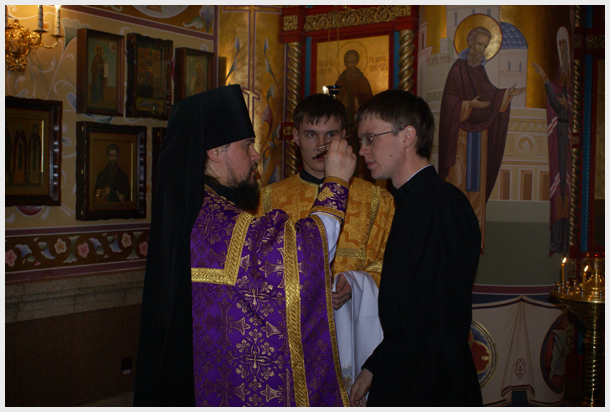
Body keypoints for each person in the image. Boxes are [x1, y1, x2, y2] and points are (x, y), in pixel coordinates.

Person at [133, 84, 357, 406]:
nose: (255, 155)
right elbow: (300, 255)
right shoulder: (216, 218)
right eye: (247, 145)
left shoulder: (193, 209)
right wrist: (336, 183)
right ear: (215, 151)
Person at [350, 89, 482, 407]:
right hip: (407, 374)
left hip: (429, 389)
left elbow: (440, 331)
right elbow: (408, 318)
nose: (362, 149)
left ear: (407, 136)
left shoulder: (439, 207)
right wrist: (375, 366)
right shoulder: (412, 203)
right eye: (361, 140)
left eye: (370, 138)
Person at [256, 93, 393, 389]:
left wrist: (356, 285)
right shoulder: (268, 200)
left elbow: (391, 266)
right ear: (295, 137)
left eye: (330, 135)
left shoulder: (376, 200)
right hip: (291, 337)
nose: (320, 145)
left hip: (355, 334)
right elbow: (256, 272)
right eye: (310, 134)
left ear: (344, 137)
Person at [439, 26, 525, 249]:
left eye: (485, 46)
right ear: (469, 42)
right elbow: (449, 101)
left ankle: (472, 239)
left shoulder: (479, 70)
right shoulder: (458, 69)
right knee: (457, 182)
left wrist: (506, 94)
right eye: (479, 44)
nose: (481, 49)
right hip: (459, 139)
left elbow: (489, 94)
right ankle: (450, 236)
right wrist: (468, 105)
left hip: (479, 140)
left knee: (475, 186)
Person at [532, 26, 572, 254]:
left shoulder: (572, 73)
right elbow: (557, 104)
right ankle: (558, 238)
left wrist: (567, 102)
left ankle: (567, 239)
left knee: (567, 186)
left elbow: (570, 103)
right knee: (559, 187)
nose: (563, 48)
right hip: (560, 135)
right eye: (561, 45)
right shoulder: (559, 73)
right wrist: (547, 80)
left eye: (566, 44)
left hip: (570, 137)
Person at [335, 50, 373, 126]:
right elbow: (336, 98)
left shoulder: (362, 80)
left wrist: (358, 101)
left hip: (358, 114)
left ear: (356, 63)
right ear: (345, 63)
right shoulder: (341, 80)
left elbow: (368, 99)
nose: (351, 65)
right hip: (343, 115)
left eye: (353, 62)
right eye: (349, 62)